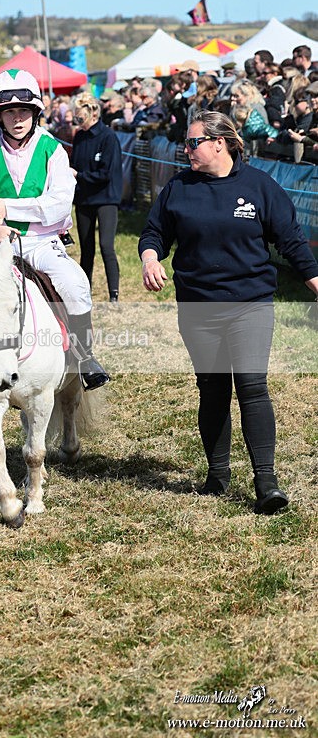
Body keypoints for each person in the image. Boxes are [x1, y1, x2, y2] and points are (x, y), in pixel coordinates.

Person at [138, 110, 318, 515]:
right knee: (213, 388)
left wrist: (315, 285)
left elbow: (291, 242)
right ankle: (217, 476)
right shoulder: (179, 188)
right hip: (198, 306)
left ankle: (266, 482)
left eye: (193, 142)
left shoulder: (260, 187)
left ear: (220, 143)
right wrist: (150, 258)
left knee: (252, 385)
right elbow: (154, 233)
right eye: (185, 143)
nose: (186, 150)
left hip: (249, 303)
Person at [0, 68, 110, 395]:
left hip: (42, 242)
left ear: (35, 113)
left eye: (23, 110)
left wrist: (6, 207)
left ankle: (85, 358)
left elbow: (59, 206)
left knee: (76, 284)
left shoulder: (54, 150)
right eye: (9, 112)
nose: (17, 118)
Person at [70, 92, 122, 303]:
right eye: (75, 117)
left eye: (80, 117)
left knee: (106, 246)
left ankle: (114, 294)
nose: (77, 120)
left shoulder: (108, 137)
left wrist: (79, 175)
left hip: (106, 198)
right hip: (84, 199)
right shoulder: (80, 136)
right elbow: (75, 163)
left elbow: (106, 173)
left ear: (92, 113)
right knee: (86, 249)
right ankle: (85, 291)